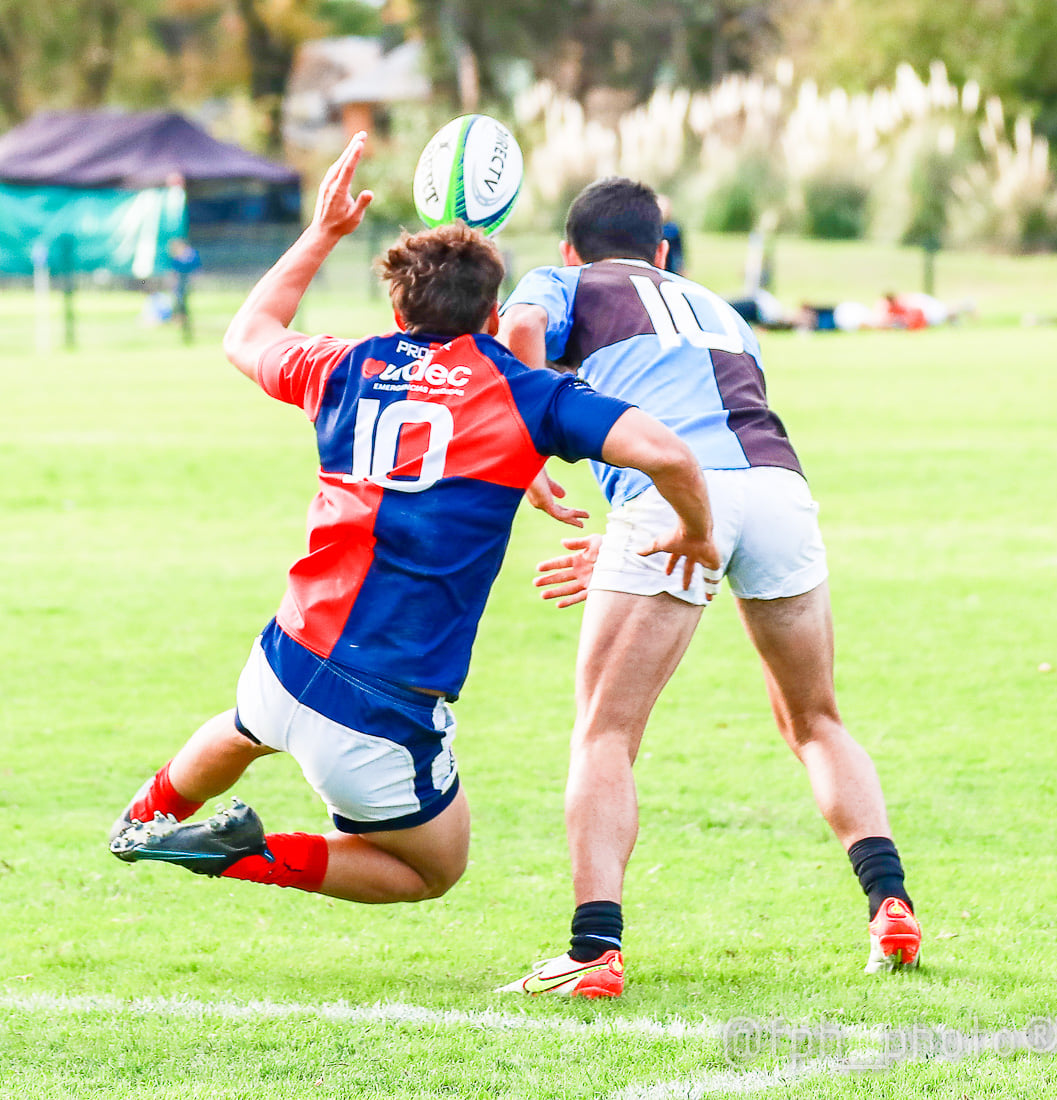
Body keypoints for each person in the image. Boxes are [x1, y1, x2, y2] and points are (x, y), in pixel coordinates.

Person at [108, 136, 720, 912]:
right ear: (494, 312)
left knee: (243, 725)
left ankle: (145, 817)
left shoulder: (341, 364)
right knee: (433, 868)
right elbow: (668, 453)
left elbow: (246, 334)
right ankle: (239, 858)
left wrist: (325, 230)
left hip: (289, 651)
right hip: (380, 707)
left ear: (396, 306)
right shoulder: (526, 395)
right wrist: (696, 533)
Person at [496, 176, 920, 998]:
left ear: (569, 249)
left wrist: (529, 457)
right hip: (779, 493)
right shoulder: (714, 305)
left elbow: (517, 329)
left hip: (677, 494)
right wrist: (639, 544)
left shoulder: (568, 282)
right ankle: (891, 904)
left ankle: (592, 951)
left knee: (606, 733)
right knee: (816, 719)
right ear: (662, 252)